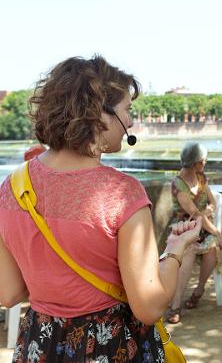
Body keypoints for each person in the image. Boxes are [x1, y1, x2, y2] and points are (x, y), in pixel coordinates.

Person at [0, 55, 202, 361]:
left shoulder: (12, 187)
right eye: (127, 110)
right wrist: (175, 250)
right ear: (99, 114)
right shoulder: (122, 193)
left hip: (41, 344)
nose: (131, 122)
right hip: (112, 345)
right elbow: (148, 307)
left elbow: (9, 293)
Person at [166, 142, 222, 324]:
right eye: (203, 160)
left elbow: (212, 203)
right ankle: (176, 305)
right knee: (189, 250)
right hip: (184, 229)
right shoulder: (178, 184)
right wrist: (216, 230)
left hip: (203, 227)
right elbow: (194, 213)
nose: (205, 163)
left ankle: (199, 290)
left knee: (212, 249)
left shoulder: (201, 177)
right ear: (196, 163)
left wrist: (207, 214)